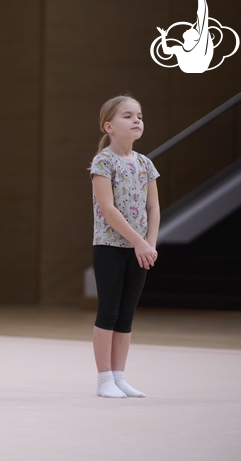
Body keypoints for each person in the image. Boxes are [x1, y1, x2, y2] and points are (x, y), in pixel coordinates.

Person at [89, 95, 160, 398]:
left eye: (139, 116)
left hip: (139, 249)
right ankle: (104, 378)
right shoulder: (103, 161)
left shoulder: (145, 163)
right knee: (108, 311)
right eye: (128, 116)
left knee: (126, 314)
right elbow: (108, 209)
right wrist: (139, 241)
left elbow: (153, 208)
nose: (136, 121)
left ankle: (119, 376)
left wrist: (150, 245)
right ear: (109, 126)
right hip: (110, 247)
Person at [157, 0, 213, 73]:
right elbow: (165, 51)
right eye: (193, 30)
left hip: (198, 65)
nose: (190, 28)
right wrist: (163, 36)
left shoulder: (195, 47)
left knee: (202, 20)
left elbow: (202, 18)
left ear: (194, 38)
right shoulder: (180, 49)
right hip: (196, 66)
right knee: (202, 21)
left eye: (192, 30)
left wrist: (163, 36)